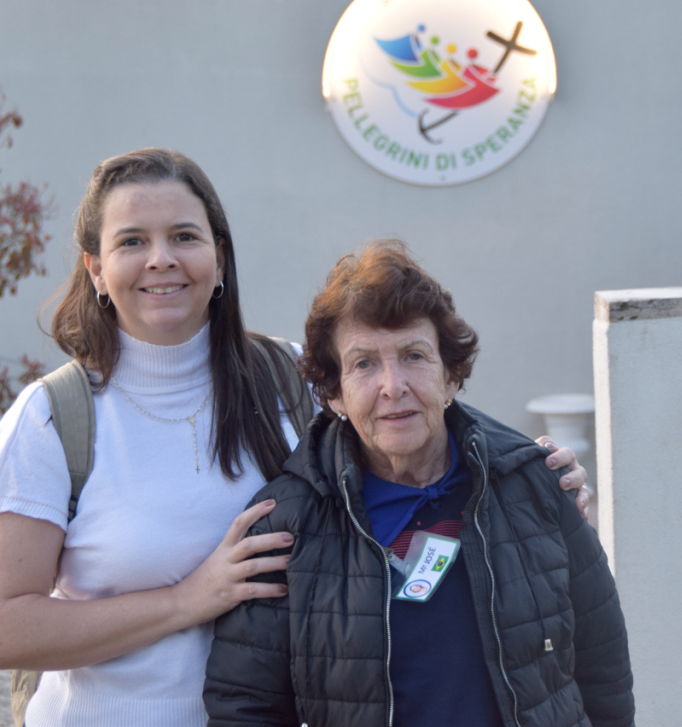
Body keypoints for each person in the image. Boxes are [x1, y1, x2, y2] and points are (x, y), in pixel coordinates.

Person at [0, 149, 590, 727]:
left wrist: (529, 485)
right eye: (132, 241)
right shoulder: (52, 418)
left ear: (219, 258)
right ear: (96, 269)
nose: (161, 259)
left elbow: (413, 432)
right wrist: (185, 601)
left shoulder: (289, 379)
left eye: (184, 236)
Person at [205, 240, 635, 727]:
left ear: (451, 376)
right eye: (364, 364)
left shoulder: (533, 484)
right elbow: (245, 708)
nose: (393, 386)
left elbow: (603, 670)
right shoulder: (287, 524)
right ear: (334, 393)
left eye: (413, 355)